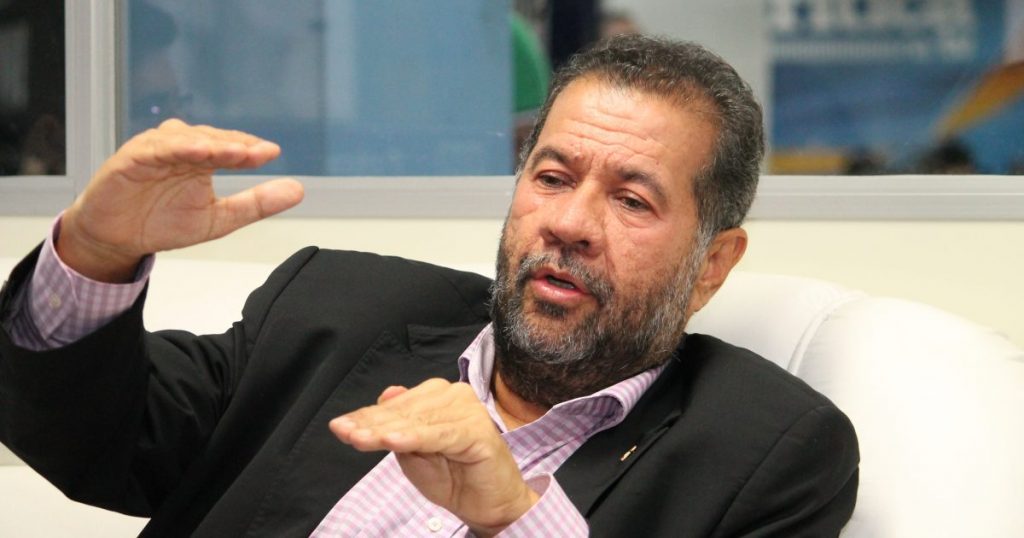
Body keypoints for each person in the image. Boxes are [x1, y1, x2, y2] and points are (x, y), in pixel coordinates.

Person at [0, 35, 858, 536]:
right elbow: (93, 439)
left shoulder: (767, 454)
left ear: (712, 264)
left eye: (632, 200)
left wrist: (510, 515)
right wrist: (95, 255)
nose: (569, 223)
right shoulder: (338, 310)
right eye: (552, 177)